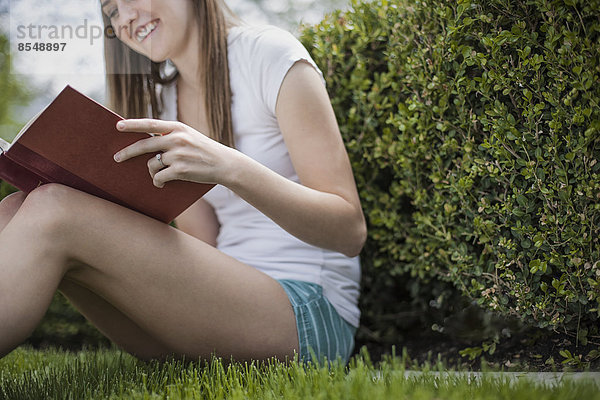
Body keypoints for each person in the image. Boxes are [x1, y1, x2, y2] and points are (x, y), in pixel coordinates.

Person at [0, 0, 366, 364]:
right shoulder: (165, 103)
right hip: (220, 314)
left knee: (54, 210)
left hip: (306, 315)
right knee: (14, 209)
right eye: (112, 11)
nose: (125, 17)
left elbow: (349, 232)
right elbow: (199, 245)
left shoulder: (269, 55)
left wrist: (228, 166)